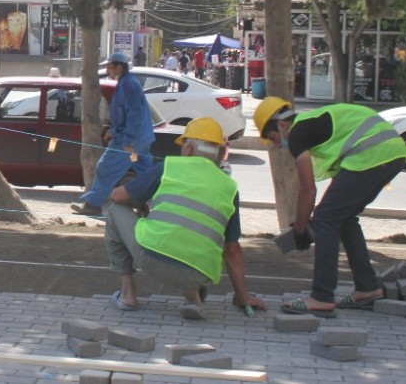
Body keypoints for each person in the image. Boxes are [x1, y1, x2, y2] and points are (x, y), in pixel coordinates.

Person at [256, 97, 406, 316]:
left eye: (274, 138)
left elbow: (308, 190)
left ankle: (321, 297)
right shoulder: (315, 127)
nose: (278, 145)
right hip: (390, 153)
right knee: (343, 216)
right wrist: (302, 223)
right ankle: (367, 288)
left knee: (325, 217)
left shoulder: (298, 132)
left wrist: (299, 229)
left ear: (282, 125)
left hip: (373, 153)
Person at [104, 118, 266, 319]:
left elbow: (117, 196)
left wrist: (142, 206)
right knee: (199, 243)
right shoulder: (229, 187)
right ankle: (193, 296)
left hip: (153, 259)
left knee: (115, 209)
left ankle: (128, 295)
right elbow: (232, 249)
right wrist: (243, 297)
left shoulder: (170, 166)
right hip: (199, 273)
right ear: (219, 153)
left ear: (188, 149)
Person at [72, 52, 154, 215]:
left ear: (119, 67)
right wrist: (114, 130)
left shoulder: (128, 85)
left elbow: (134, 116)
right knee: (146, 173)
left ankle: (92, 204)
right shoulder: (128, 83)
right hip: (141, 140)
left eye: (110, 67)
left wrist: (128, 141)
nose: (108, 70)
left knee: (106, 167)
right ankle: (150, 203)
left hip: (129, 142)